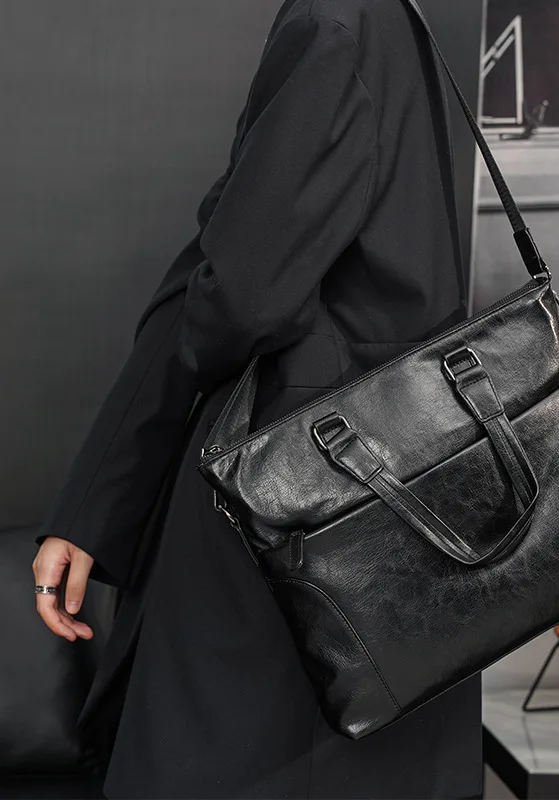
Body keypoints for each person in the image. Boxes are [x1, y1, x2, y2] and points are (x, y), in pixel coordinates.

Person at [30, 0, 483, 797]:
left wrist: (102, 500)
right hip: (397, 510)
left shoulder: (332, 24)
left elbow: (238, 293)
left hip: (290, 501)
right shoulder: (393, 21)